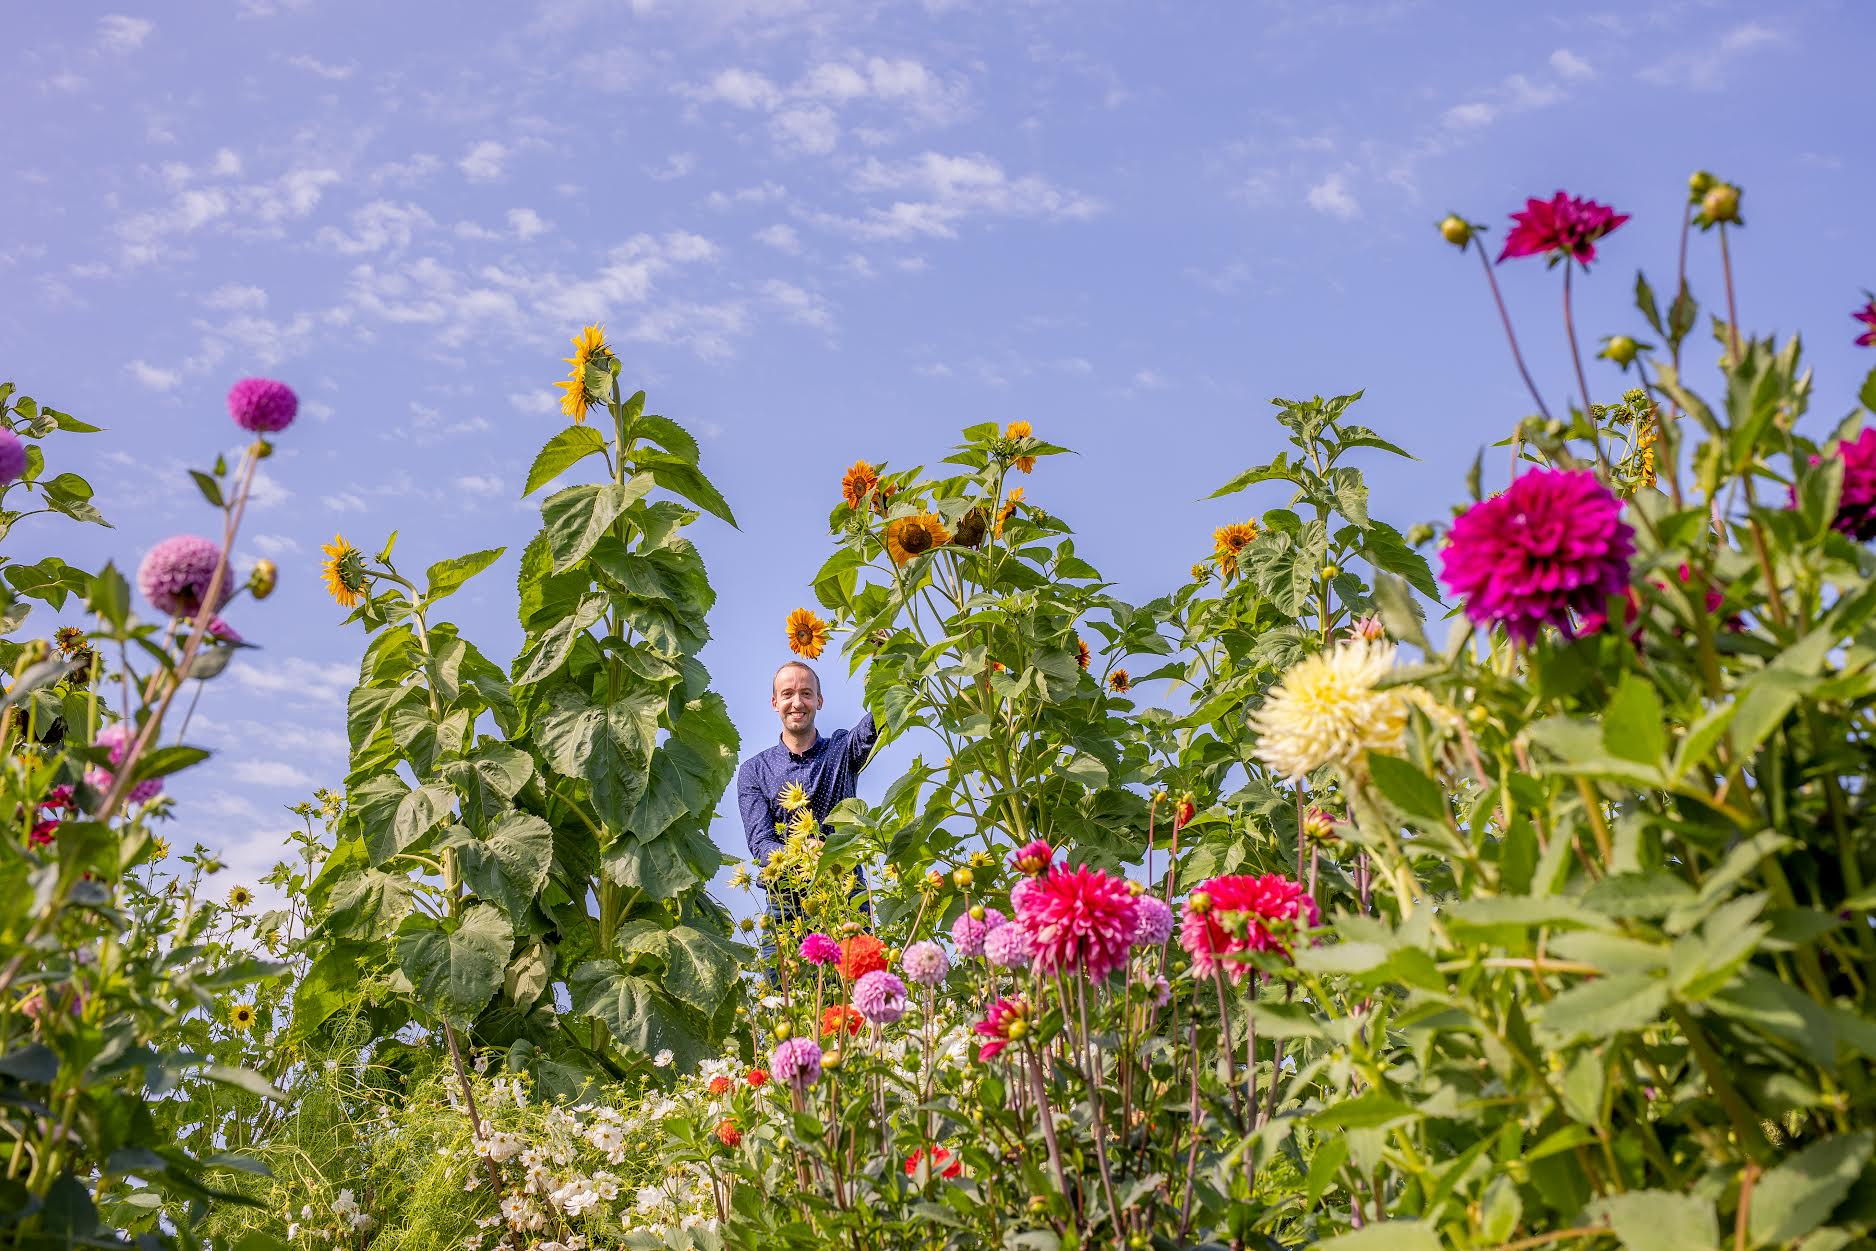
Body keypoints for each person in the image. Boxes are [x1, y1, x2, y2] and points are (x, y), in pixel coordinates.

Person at [736, 660, 878, 959]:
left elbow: (881, 716)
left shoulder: (841, 750)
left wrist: (882, 659)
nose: (796, 702)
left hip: (846, 893)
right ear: (775, 703)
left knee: (859, 988)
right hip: (786, 904)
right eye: (787, 694)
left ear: (819, 701)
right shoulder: (754, 771)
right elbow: (761, 843)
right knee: (781, 998)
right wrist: (804, 850)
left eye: (806, 693)